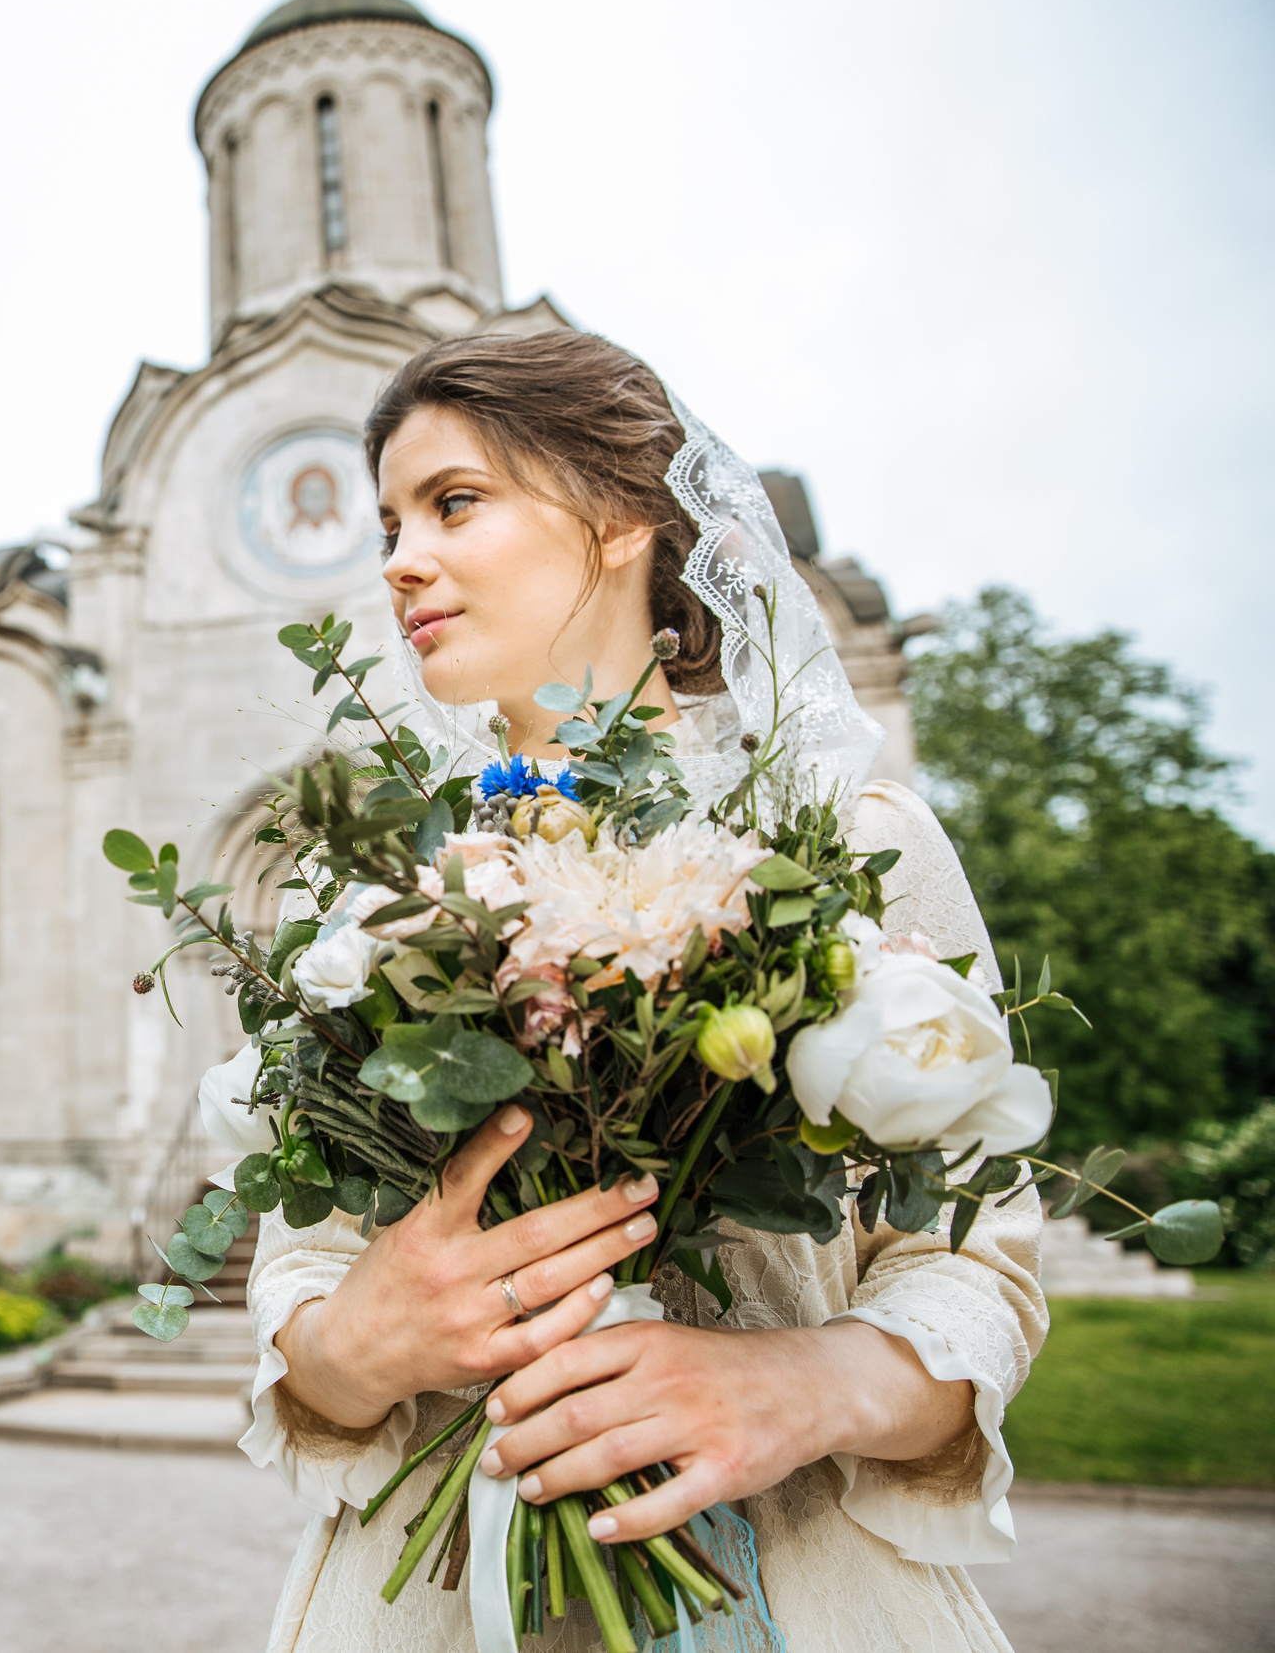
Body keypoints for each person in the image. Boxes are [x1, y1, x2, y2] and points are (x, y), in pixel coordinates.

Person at [247, 332, 1043, 1652]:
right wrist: (358, 1341)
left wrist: (809, 1384)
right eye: (389, 525)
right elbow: (303, 1280)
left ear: (621, 521)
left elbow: (974, 1260)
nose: (398, 561)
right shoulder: (365, 899)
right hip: (427, 1601)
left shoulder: (846, 845)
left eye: (454, 503)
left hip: (791, 1582)